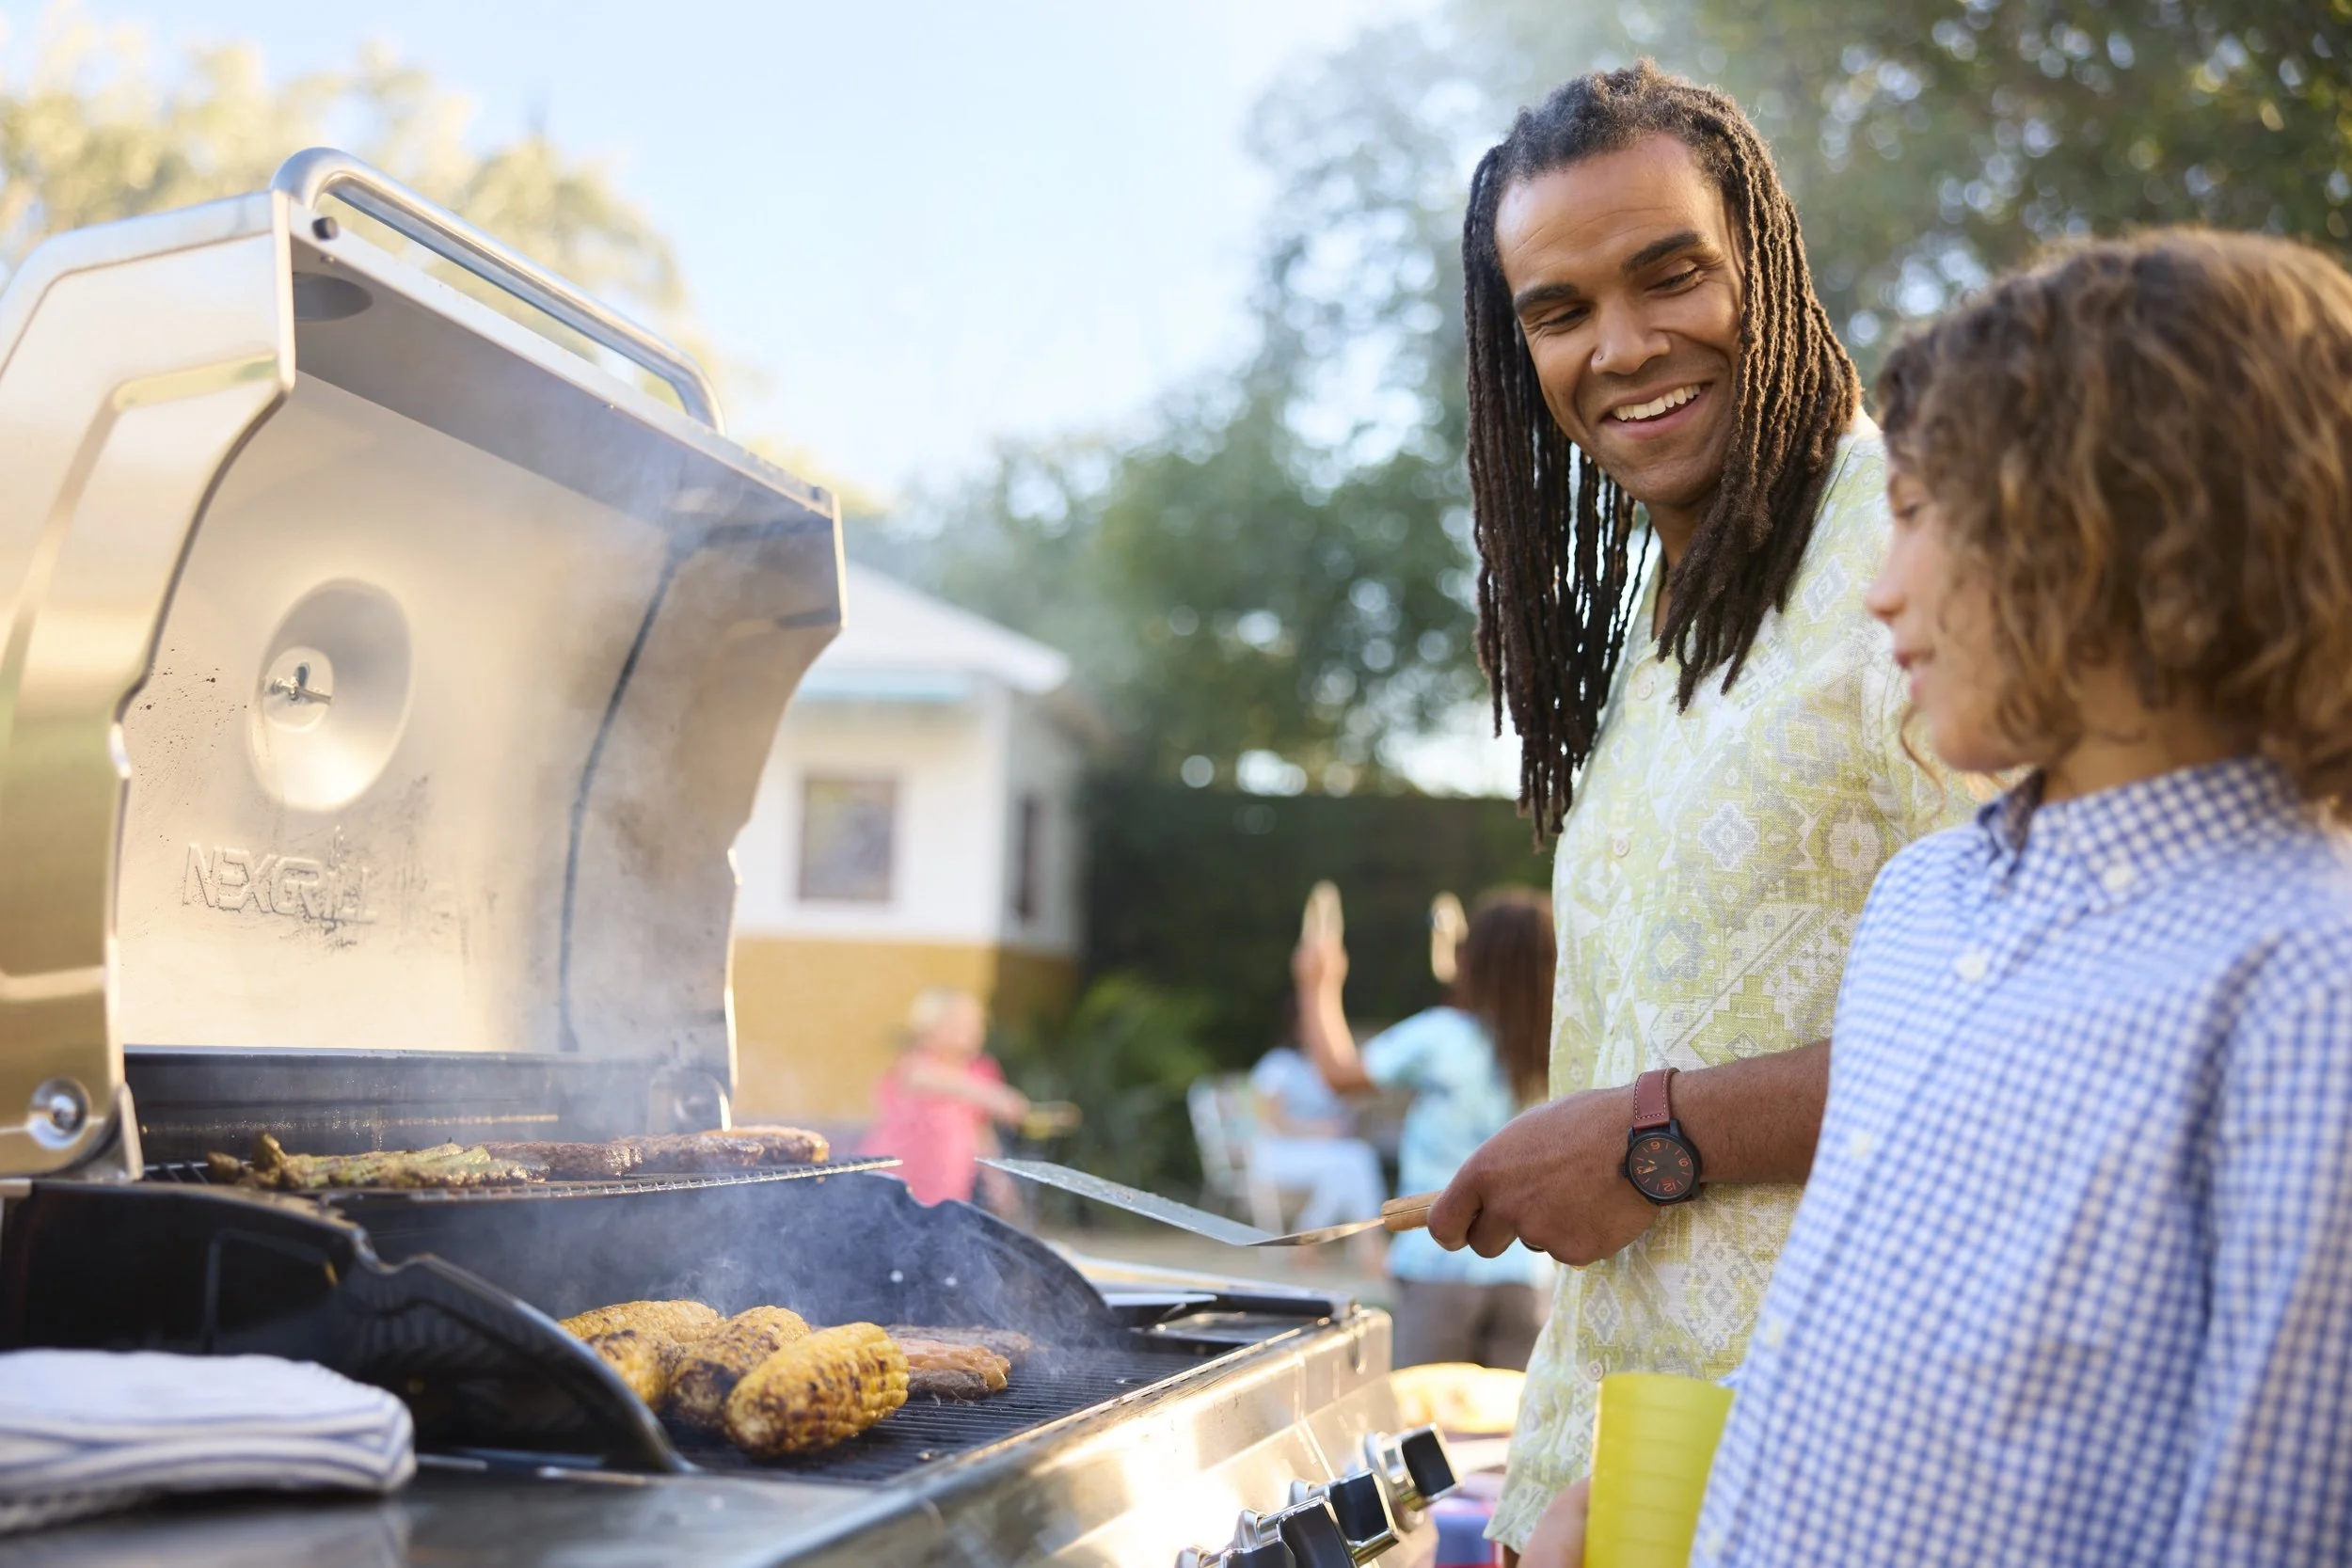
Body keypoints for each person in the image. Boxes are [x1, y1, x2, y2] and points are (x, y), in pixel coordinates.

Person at [1527, 229, 2352, 1565]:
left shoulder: (2305, 973)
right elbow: (1876, 1330)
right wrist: (1705, 1467)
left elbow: (2267, 1518)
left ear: (2132, 523)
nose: (1879, 584)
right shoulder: (1926, 906)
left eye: (1917, 515)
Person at [1420, 62, 1976, 1555]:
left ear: (1766, 264)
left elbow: (2053, 1016)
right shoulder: (1659, 627)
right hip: (1620, 1468)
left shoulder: (1920, 547)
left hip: (1842, 1469)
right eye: (1559, 309)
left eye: (1672, 275)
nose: (1624, 345)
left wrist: (1656, 1136)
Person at [1295, 887, 1557, 1370]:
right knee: (1508, 1428)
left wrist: (1318, 984)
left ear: (1472, 960)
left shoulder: (1444, 1036)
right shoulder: (1563, 1046)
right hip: (1530, 1271)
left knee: (1425, 1422)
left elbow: (1339, 1074)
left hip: (1439, 1265)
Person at [857, 986, 1030, 1207]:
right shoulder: (916, 1063)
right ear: (928, 1027)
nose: (967, 1029)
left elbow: (980, 1132)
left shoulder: (980, 1070)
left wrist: (996, 1179)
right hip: (896, 1175)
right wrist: (993, 1095)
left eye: (974, 1022)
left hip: (947, 1183)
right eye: (954, 1022)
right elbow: (926, 1079)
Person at [1246, 1021, 1389, 1260]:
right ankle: (1369, 1241)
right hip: (1278, 1153)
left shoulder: (1326, 1069)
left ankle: (1309, 1240)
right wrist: (1319, 1130)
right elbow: (1271, 1121)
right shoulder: (1278, 1064)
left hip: (1322, 1155)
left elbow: (1348, 1117)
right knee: (1356, 1158)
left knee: (1347, 1169)